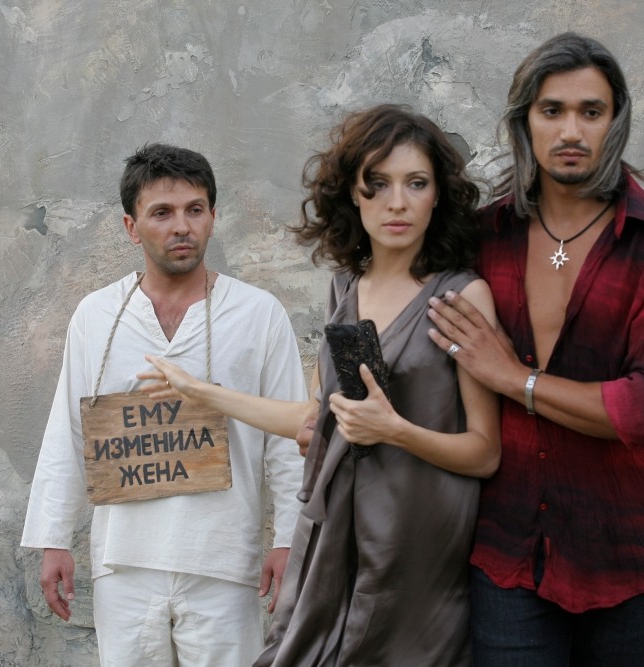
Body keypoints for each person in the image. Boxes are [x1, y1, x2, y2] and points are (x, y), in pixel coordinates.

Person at [139, 104, 501, 665]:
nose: (397, 202)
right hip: (336, 527)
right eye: (377, 183)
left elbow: (485, 453)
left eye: (416, 183)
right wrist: (201, 392)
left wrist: (395, 431)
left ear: (438, 196)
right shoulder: (346, 289)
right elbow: (314, 418)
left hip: (417, 540)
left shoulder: (461, 295)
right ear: (353, 194)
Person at [428, 33, 644, 666]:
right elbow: (411, 319)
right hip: (507, 554)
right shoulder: (483, 237)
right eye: (552, 110)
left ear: (616, 121)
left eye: (591, 111)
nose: (571, 130)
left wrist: (515, 380)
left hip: (626, 558)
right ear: (525, 122)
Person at [20, 143, 307, 667]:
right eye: (162, 213)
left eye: (195, 210)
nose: (181, 227)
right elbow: (68, 431)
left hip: (223, 560)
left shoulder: (257, 313)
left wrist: (289, 540)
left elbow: (289, 440)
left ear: (213, 218)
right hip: (124, 562)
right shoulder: (96, 315)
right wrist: (53, 539)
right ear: (132, 228)